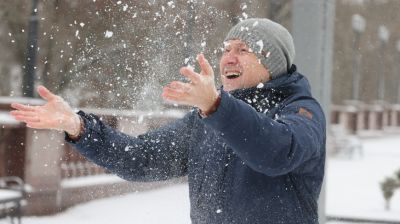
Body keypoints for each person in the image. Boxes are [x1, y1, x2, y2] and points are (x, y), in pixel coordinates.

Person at [10, 18, 326, 224]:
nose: (228, 57)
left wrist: (217, 107)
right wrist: (78, 127)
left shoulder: (300, 111)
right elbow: (140, 159)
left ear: (271, 62)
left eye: (243, 50)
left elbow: (276, 153)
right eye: (226, 49)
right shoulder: (208, 118)